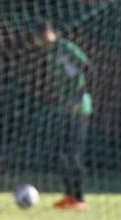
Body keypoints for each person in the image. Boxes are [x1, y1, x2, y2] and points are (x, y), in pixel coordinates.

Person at [40, 21, 93, 210]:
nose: (41, 39)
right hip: (65, 110)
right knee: (61, 154)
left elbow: (88, 68)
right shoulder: (50, 54)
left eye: (44, 34)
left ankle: (80, 199)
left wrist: (77, 99)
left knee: (74, 154)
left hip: (81, 109)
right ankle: (69, 196)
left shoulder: (66, 48)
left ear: (52, 32)